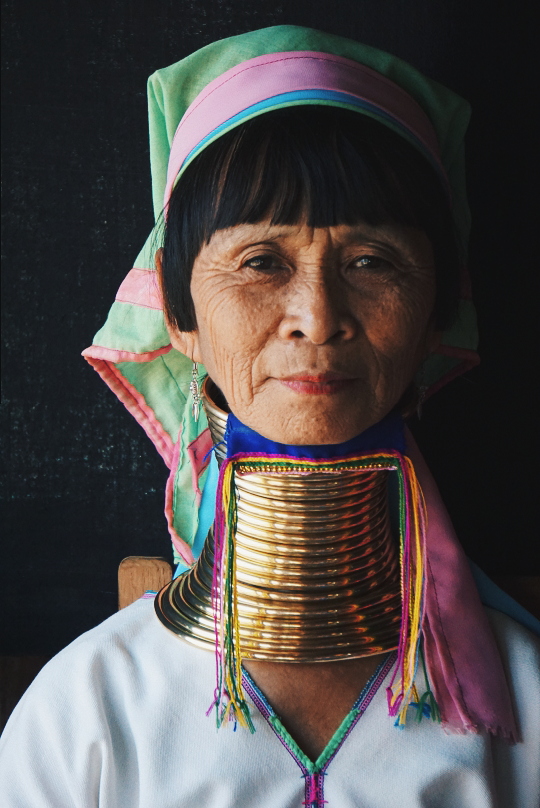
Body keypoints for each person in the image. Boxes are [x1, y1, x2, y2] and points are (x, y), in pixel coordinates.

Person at [1, 25, 539, 808]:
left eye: (371, 262)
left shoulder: (523, 702)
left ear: (435, 318)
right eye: (261, 262)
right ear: (177, 313)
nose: (317, 319)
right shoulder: (88, 711)